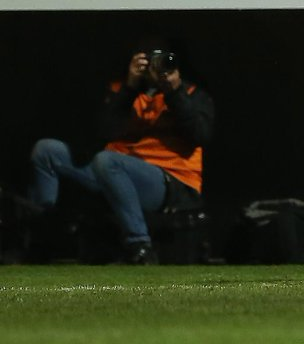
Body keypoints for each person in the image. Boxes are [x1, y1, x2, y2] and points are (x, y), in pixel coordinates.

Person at [28, 40, 214, 264]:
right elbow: (103, 132)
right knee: (47, 150)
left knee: (107, 161)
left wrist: (174, 92)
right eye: (150, 60)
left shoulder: (192, 93)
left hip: (169, 180)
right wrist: (130, 86)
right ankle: (42, 238)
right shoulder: (122, 90)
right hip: (112, 172)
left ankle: (140, 245)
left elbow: (200, 135)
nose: (157, 67)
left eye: (163, 60)